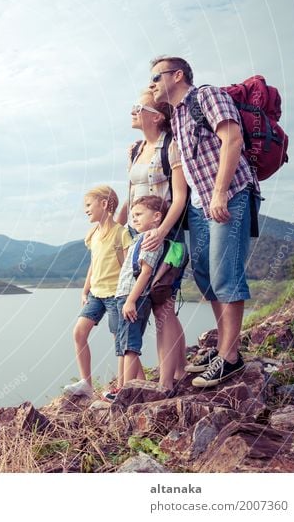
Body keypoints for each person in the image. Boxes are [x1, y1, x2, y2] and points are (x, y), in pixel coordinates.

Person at [149, 55, 260, 388]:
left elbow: (233, 139)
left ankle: (230, 358)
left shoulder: (206, 96)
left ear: (177, 75)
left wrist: (220, 192)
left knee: (225, 273)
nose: (152, 83)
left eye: (156, 77)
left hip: (230, 195)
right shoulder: (178, 116)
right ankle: (226, 347)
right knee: (205, 275)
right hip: (200, 206)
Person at [115, 90, 188, 392]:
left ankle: (166, 382)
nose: (133, 111)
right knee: (144, 303)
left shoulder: (171, 147)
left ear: (156, 116)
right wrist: (119, 224)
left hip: (165, 233)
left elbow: (180, 196)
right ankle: (176, 370)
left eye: (139, 107)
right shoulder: (134, 149)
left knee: (163, 304)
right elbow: (132, 191)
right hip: (137, 234)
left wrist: (161, 230)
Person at [63, 185, 134, 398]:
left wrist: (129, 295)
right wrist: (85, 290)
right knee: (79, 332)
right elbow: (94, 264)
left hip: (115, 295)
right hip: (96, 294)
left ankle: (125, 387)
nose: (85, 209)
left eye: (88, 204)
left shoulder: (121, 233)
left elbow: (129, 265)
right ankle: (86, 383)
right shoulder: (93, 233)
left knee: (120, 342)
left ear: (104, 204)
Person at [106, 196, 169, 401]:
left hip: (134, 296)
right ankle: (122, 388)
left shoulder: (151, 238)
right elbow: (120, 222)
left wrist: (131, 300)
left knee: (130, 345)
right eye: (133, 215)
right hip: (125, 296)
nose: (134, 219)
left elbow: (145, 272)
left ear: (157, 217)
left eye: (139, 214)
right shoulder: (138, 238)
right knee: (124, 345)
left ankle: (124, 391)